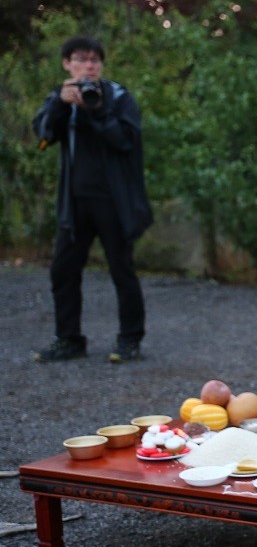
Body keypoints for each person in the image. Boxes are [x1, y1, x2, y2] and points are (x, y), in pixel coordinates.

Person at [31, 35, 152, 363]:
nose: (89, 66)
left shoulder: (118, 97)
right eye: (81, 60)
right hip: (75, 202)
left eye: (94, 60)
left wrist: (94, 110)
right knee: (63, 271)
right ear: (67, 64)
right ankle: (69, 339)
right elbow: (43, 137)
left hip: (114, 202)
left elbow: (126, 141)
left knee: (121, 270)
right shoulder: (62, 98)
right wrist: (60, 103)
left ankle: (129, 339)